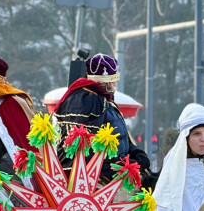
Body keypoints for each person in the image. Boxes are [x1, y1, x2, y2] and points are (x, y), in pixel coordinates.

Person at [54, 53, 152, 181]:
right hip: (92, 179)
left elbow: (119, 137)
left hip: (111, 174)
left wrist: (136, 154)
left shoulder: (104, 101)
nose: (115, 85)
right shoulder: (87, 101)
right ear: (106, 83)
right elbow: (87, 151)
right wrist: (122, 165)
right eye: (113, 82)